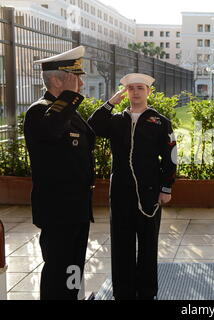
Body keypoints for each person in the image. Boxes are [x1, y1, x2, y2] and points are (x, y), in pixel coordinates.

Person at [88, 73, 177, 300]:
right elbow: (92, 127)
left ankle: (147, 292)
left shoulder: (159, 121)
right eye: (131, 88)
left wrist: (166, 188)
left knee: (148, 245)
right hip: (120, 192)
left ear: (148, 91)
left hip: (148, 192)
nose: (135, 92)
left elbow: (170, 157)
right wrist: (110, 103)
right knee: (121, 244)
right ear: (125, 92)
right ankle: (124, 292)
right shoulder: (115, 120)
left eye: (140, 88)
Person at [23, 46, 95, 300]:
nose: (81, 83)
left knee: (74, 264)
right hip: (57, 209)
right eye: (76, 77)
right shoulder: (39, 111)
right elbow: (52, 128)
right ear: (56, 79)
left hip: (77, 206)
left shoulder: (66, 112)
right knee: (57, 267)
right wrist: (69, 96)